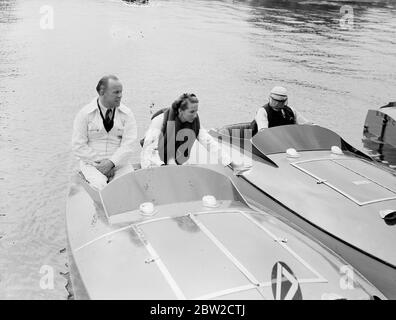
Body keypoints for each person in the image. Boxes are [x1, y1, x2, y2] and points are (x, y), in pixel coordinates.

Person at [72, 75, 137, 190]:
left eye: (121, 92)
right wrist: (102, 164)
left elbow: (129, 145)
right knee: (99, 185)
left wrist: (111, 163)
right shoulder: (84, 114)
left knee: (128, 185)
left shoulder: (127, 114)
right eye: (116, 92)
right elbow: (78, 145)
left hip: (119, 164)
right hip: (92, 164)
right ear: (102, 92)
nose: (120, 96)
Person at [140, 93, 240, 168]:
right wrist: (164, 167)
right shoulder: (159, 121)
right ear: (180, 111)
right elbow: (148, 153)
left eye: (196, 111)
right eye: (191, 112)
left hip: (175, 162)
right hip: (154, 162)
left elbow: (209, 142)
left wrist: (230, 162)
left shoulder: (194, 122)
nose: (195, 115)